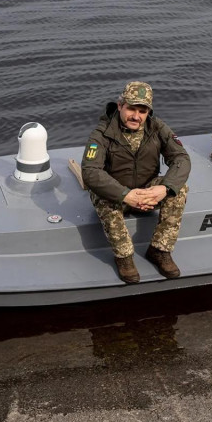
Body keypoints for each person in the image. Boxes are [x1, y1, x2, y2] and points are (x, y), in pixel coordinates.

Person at [81, 81, 191, 284]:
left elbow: (181, 158)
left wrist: (163, 188)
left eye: (142, 111)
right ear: (120, 105)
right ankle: (124, 257)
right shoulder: (102, 133)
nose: (136, 116)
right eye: (131, 108)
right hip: (117, 194)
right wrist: (125, 195)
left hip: (147, 192)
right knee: (102, 195)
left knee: (179, 188)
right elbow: (90, 171)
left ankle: (159, 250)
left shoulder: (157, 127)